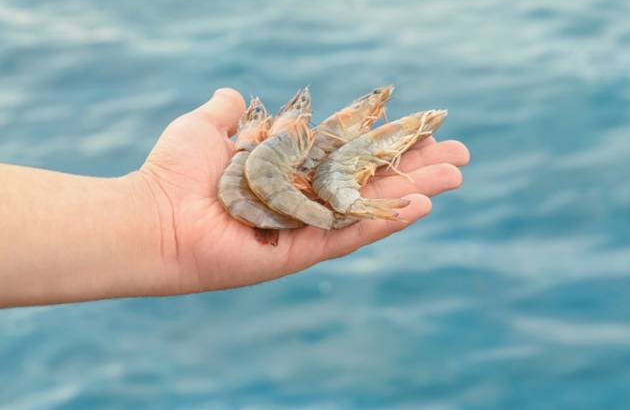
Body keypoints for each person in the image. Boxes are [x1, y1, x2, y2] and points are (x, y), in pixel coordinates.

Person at [0, 88, 469, 307]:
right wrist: (157, 221)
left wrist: (154, 218)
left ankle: (328, 205)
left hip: (276, 184)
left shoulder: (267, 151)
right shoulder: (264, 161)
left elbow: (292, 161)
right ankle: (333, 207)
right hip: (275, 188)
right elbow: (279, 166)